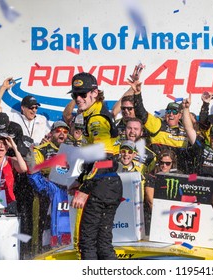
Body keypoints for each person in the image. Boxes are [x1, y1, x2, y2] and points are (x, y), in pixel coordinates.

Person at [68, 72, 122, 260]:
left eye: (83, 94)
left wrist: (84, 189)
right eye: (75, 95)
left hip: (102, 184)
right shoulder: (94, 113)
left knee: (88, 244)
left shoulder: (97, 118)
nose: (79, 99)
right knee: (103, 245)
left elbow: (104, 159)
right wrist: (80, 180)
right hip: (110, 184)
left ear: (94, 92)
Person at [130, 72, 190, 173]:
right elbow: (142, 114)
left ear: (180, 115)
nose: (171, 114)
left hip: (179, 173)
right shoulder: (159, 124)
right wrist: (137, 94)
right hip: (158, 170)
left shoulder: (186, 130)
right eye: (168, 111)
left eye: (174, 112)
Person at [25, 121, 73, 249]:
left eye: (65, 131)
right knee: (43, 227)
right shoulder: (43, 149)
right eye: (58, 131)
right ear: (51, 133)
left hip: (67, 193)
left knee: (67, 226)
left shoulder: (72, 150)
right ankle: (40, 251)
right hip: (47, 192)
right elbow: (35, 170)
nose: (62, 134)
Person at [0, 77, 51, 145]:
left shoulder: (42, 119)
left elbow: (51, 135)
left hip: (37, 153)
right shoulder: (14, 117)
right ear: (23, 108)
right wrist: (3, 88)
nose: (34, 110)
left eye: (36, 107)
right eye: (31, 107)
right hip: (19, 152)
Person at [182, 96, 213, 178]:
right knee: (186, 178)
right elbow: (188, 128)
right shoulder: (202, 146)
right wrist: (186, 109)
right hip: (198, 183)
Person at [144, 149, 179, 236]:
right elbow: (150, 200)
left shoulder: (178, 174)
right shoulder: (151, 175)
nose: (164, 166)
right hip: (153, 213)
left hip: (172, 213)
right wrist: (159, 219)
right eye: (162, 163)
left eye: (168, 163)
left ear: (172, 164)